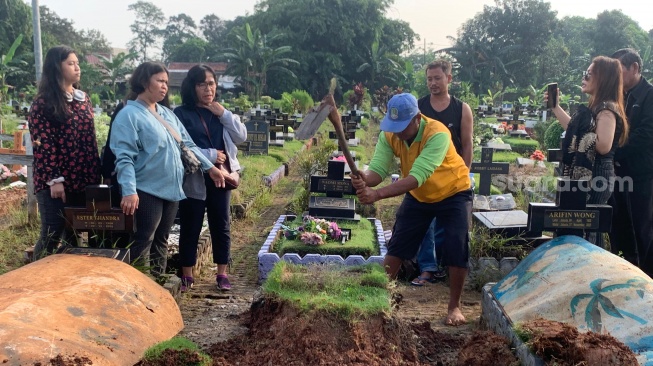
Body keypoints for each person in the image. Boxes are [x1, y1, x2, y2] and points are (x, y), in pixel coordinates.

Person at [348, 93, 472, 326]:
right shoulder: (390, 135)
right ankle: (379, 297)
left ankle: (454, 306)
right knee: (398, 244)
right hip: (420, 196)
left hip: (453, 191)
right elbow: (378, 170)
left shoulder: (437, 133)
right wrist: (363, 178)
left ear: (417, 118)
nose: (397, 132)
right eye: (393, 127)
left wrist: (376, 195)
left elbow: (418, 176)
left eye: (402, 127)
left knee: (456, 245)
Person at [110, 61, 227, 278]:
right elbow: (124, 156)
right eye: (160, 81)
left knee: (161, 240)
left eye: (166, 82)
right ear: (145, 82)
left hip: (172, 188)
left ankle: (158, 285)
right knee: (144, 238)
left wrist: (210, 167)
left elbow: (188, 144)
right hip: (147, 189)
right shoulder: (129, 115)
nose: (165, 86)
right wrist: (128, 190)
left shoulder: (166, 113)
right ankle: (139, 289)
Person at [174, 65, 247, 292]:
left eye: (212, 83)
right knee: (191, 225)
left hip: (222, 176)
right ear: (192, 87)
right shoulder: (181, 114)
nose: (208, 88)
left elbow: (241, 136)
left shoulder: (220, 112)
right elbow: (182, 146)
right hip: (194, 177)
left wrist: (224, 114)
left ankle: (222, 273)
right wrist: (210, 156)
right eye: (202, 84)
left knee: (221, 224)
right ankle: (187, 274)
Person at [547, 56, 629, 247]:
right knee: (581, 226)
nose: (584, 78)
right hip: (588, 173)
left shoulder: (607, 110)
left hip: (596, 175)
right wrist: (556, 107)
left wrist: (584, 133)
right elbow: (575, 129)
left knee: (588, 228)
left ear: (603, 79)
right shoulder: (597, 107)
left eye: (589, 74)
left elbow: (603, 145)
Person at [28, 45, 101, 258]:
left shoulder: (83, 99)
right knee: (52, 231)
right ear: (56, 68)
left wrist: (95, 176)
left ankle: (67, 282)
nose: (77, 68)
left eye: (77, 63)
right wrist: (54, 179)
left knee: (75, 232)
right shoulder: (43, 103)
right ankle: (37, 275)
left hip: (83, 178)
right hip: (56, 181)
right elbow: (43, 144)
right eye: (71, 63)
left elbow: (90, 139)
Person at [412, 60, 474, 286]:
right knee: (424, 224)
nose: (433, 83)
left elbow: (466, 144)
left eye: (437, 78)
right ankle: (428, 267)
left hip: (452, 178)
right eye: (429, 79)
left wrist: (465, 174)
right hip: (424, 175)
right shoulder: (418, 108)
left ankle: (448, 267)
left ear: (449, 78)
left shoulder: (461, 109)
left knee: (450, 226)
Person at [609, 48, 653, 276]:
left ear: (634, 68)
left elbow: (645, 134)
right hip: (618, 174)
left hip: (642, 174)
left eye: (619, 70)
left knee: (643, 228)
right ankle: (625, 274)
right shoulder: (619, 96)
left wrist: (613, 150)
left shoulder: (649, 95)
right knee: (620, 226)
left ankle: (647, 280)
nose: (616, 77)